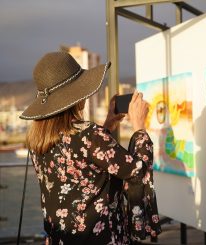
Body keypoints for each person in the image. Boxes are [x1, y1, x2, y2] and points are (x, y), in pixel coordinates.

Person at [20, 52, 161, 244]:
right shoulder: (89, 134)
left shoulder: (38, 138)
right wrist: (139, 127)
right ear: (76, 96)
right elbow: (137, 170)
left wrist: (109, 124)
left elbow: (84, 161)